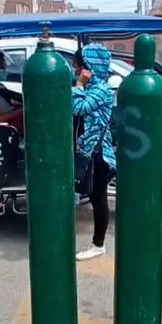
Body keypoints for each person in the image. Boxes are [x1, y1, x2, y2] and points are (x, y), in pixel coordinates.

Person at [72, 44, 116, 262]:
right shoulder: (93, 88)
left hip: (100, 155)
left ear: (89, 67)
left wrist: (79, 85)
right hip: (91, 152)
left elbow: (78, 108)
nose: (76, 72)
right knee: (94, 195)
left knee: (98, 199)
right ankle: (97, 243)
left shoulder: (101, 90)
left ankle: (98, 244)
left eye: (78, 68)